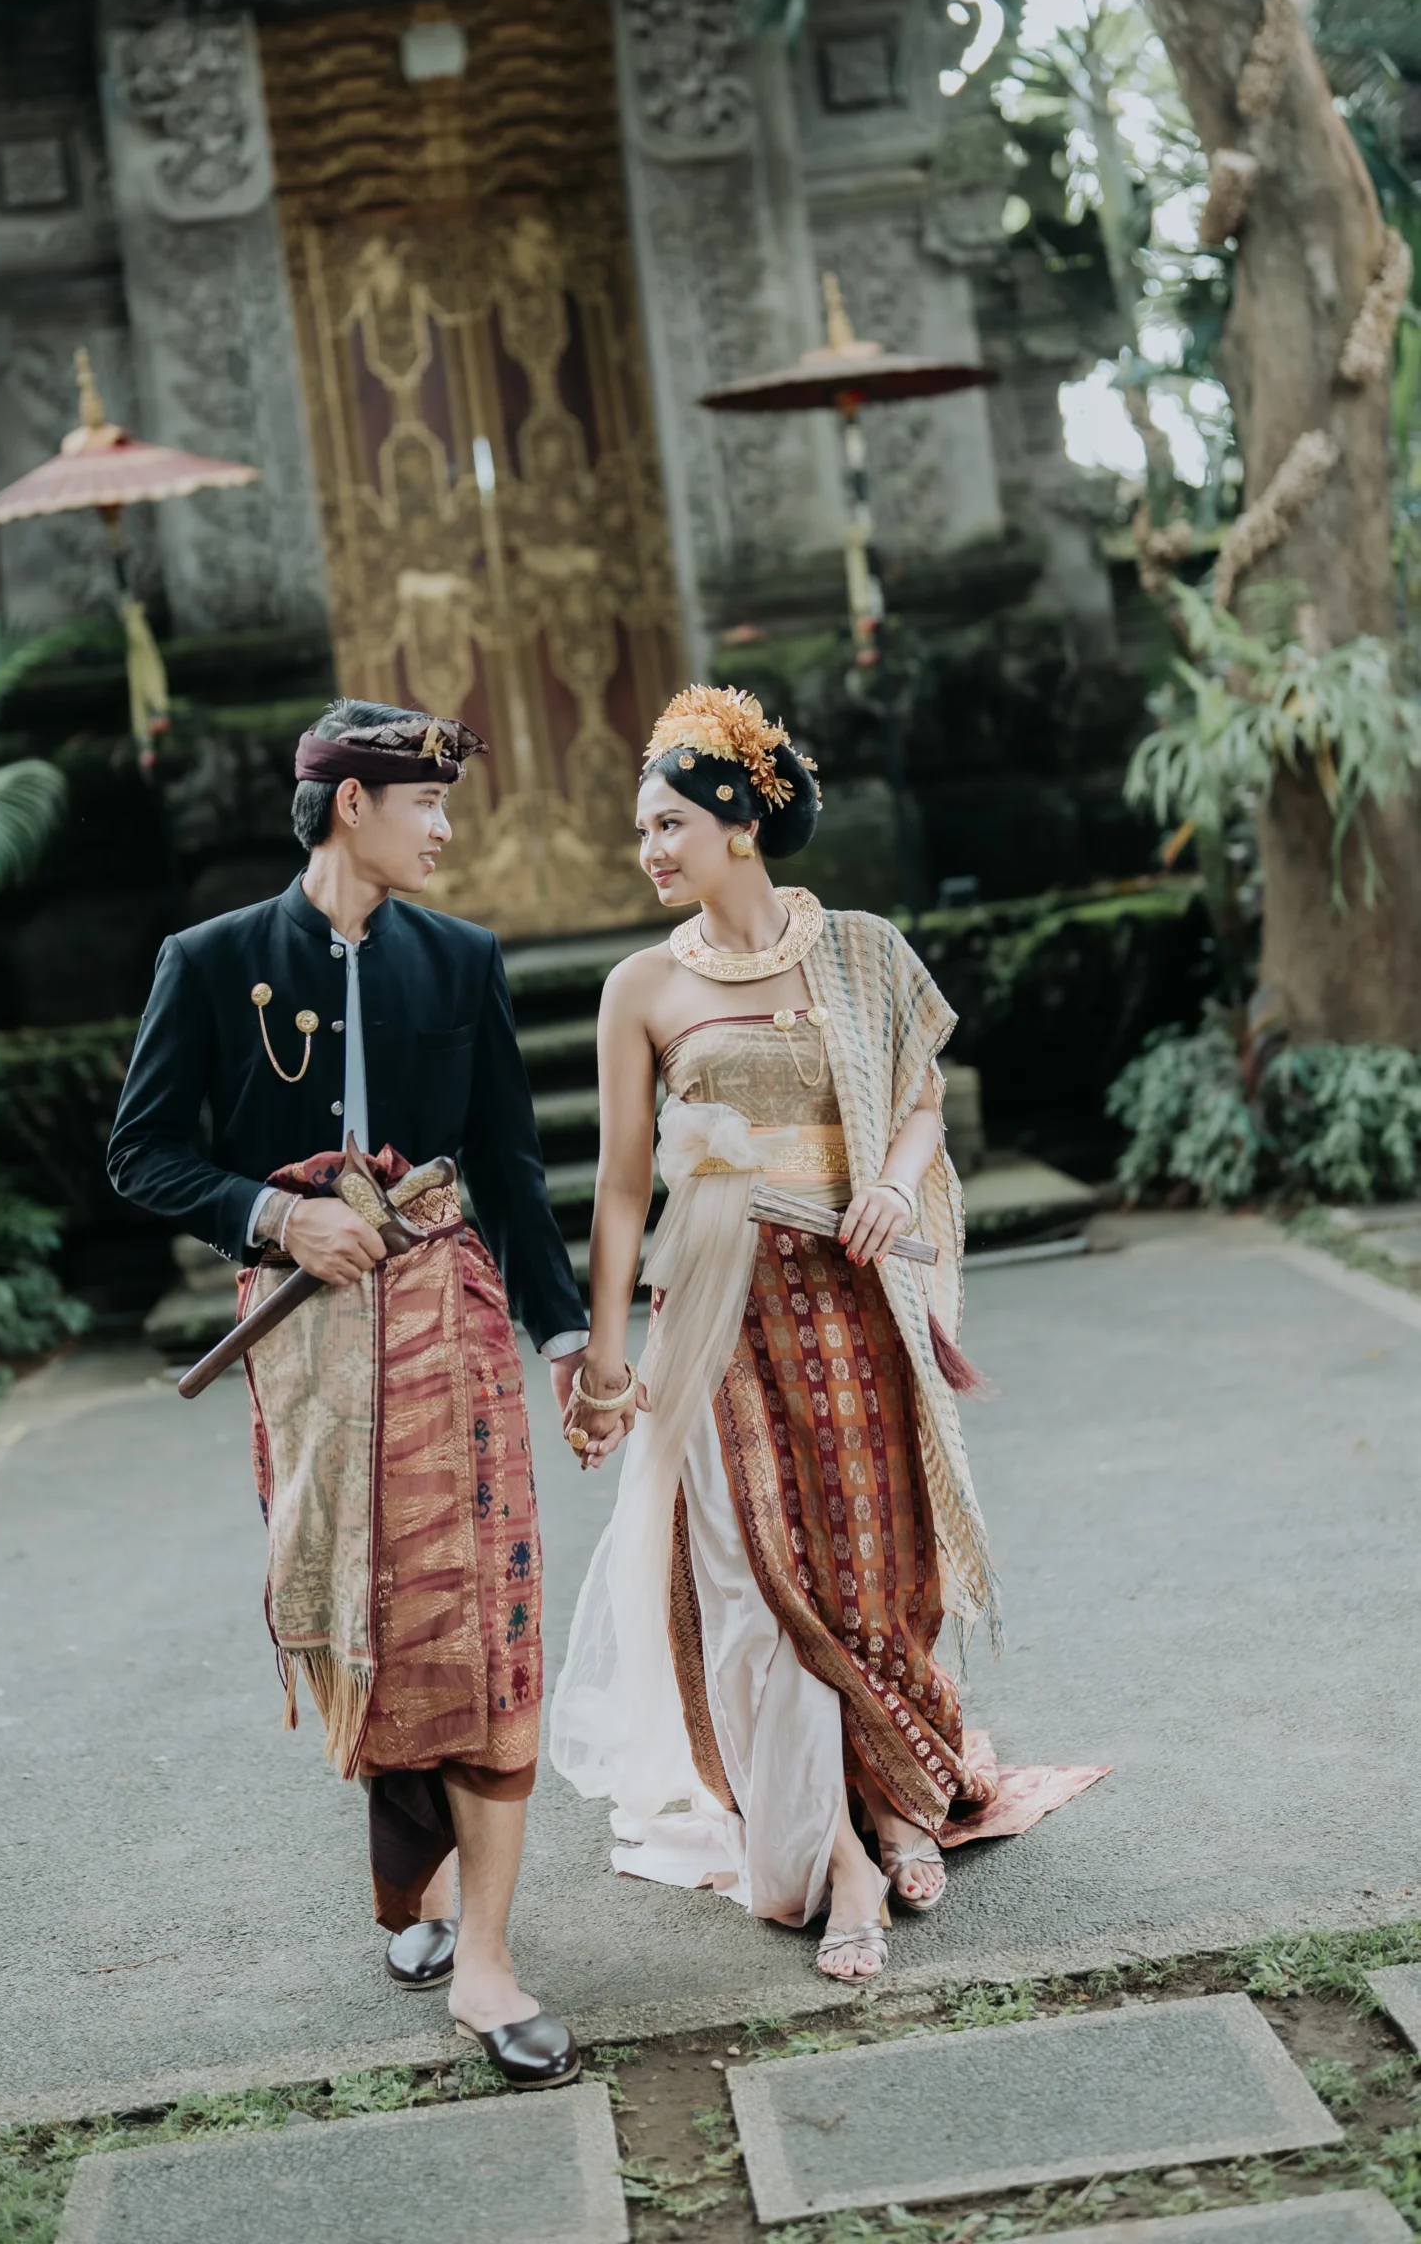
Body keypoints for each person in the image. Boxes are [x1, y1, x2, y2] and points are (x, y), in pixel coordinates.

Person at [108, 698, 588, 2086]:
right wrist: (273, 1215)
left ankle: (486, 1960)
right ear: (349, 806)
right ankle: (410, 1880)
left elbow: (512, 1170)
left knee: (484, 1624)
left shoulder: (462, 960)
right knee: (365, 1615)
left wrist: (568, 1341)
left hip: (453, 1333)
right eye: (424, 805)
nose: (443, 831)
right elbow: (144, 1155)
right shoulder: (211, 963)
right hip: (307, 1360)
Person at [549, 684, 1009, 1985]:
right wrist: (602, 1358)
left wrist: (891, 1184)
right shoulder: (641, 988)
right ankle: (840, 1857)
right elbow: (621, 1187)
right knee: (762, 1574)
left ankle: (899, 1799)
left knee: (877, 1558)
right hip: (719, 1311)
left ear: (739, 824)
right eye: (641, 829)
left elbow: (917, 1098)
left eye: (668, 824)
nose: (648, 849)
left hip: (857, 1301)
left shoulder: (858, 951)